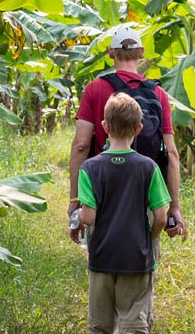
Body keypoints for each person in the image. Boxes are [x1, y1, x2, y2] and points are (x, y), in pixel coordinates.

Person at [75, 93, 170, 334]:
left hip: (102, 260)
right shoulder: (148, 167)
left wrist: (80, 221)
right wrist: (151, 236)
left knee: (101, 330)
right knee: (135, 330)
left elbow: (88, 215)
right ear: (139, 128)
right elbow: (160, 215)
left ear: (103, 128)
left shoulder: (91, 168)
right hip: (137, 261)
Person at [68, 23, 188, 241]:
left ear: (111, 53)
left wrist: (75, 200)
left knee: (102, 256)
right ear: (141, 53)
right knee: (145, 257)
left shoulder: (95, 88)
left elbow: (81, 145)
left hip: (102, 188)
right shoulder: (158, 94)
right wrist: (174, 207)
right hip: (146, 188)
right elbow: (171, 153)